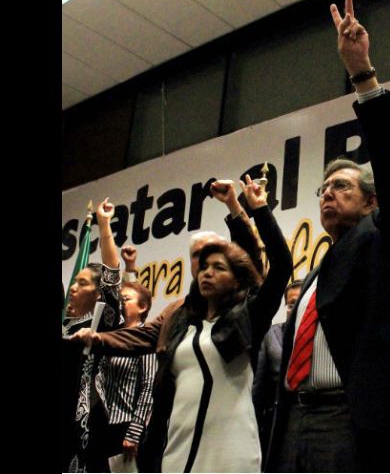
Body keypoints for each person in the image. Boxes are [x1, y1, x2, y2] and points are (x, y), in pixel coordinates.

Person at [264, 0, 390, 472]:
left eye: (342, 186)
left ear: (372, 201)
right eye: (323, 189)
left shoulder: (384, 237)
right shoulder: (318, 271)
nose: (327, 194)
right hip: (295, 418)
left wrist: (362, 75)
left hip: (352, 421)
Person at [70, 177, 292, 472]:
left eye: (217, 265)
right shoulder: (178, 315)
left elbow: (274, 265)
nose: (206, 269)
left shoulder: (246, 314)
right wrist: (96, 338)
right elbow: (140, 337)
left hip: (229, 444)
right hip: (176, 441)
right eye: (200, 260)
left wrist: (249, 208)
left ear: (236, 277)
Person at [61, 198, 124, 472]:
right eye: (74, 282)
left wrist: (104, 225)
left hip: (85, 427)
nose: (73, 288)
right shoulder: (65, 327)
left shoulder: (101, 323)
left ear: (98, 295)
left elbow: (112, 278)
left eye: (82, 283)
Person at [87, 279, 157, 472]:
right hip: (101, 424)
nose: (120, 303)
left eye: (126, 299)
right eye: (119, 299)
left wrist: (134, 432)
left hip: (125, 427)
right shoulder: (112, 335)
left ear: (142, 307)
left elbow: (149, 386)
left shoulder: (145, 338)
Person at [253, 279, 303, 460]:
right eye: (290, 304)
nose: (294, 309)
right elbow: (259, 387)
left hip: (311, 416)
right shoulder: (271, 335)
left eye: (300, 302)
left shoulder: (320, 335)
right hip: (278, 421)